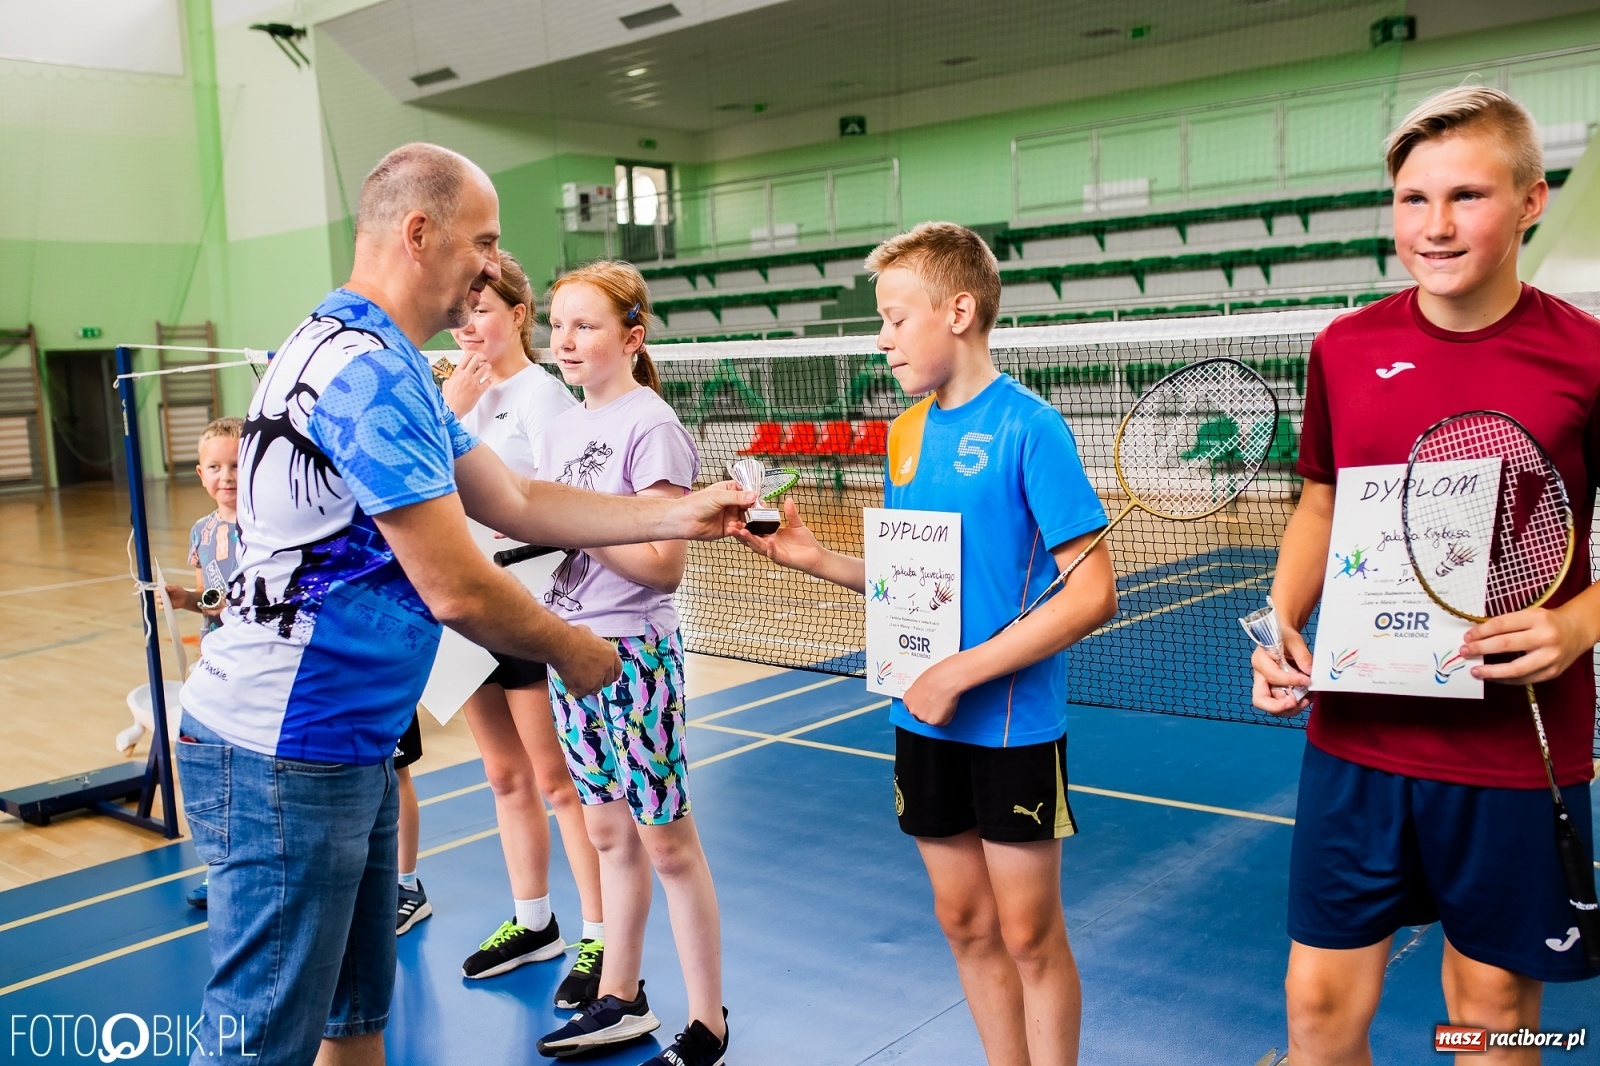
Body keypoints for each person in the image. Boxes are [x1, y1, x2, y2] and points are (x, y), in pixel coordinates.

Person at [174, 143, 752, 1066]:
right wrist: (574, 650)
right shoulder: (363, 374)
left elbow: (517, 501)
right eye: (482, 241)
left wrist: (680, 508)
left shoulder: (377, 358)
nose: (492, 264)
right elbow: (452, 583)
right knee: (259, 1046)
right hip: (284, 749)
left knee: (355, 1021)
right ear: (419, 233)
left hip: (343, 745)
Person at [1251, 87, 1600, 1066]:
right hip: (1356, 738)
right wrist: (1279, 620)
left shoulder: (1585, 358)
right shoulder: (1346, 349)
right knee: (1318, 1012)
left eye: (1466, 196)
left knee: (1487, 1016)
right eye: (1411, 199)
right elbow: (1321, 502)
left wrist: (1579, 622)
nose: (1433, 226)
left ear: (1531, 200)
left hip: (1511, 750)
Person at [736, 222, 1116, 1066]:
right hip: (922, 714)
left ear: (958, 310)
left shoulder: (1031, 428)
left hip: (1010, 723)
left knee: (1029, 935)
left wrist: (963, 672)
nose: (882, 338)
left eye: (896, 318)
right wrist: (818, 558)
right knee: (964, 922)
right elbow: (916, 576)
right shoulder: (905, 435)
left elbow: (1093, 592)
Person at [530, 262, 727, 1066]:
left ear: (632, 338)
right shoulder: (561, 425)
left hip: (633, 657)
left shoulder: (651, 426)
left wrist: (577, 528)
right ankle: (622, 995)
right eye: (559, 325)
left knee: (667, 844)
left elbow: (662, 564)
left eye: (586, 326)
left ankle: (709, 1022)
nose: (565, 341)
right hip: (567, 649)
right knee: (608, 834)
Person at [441, 249, 608, 1003]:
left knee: (557, 777)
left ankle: (601, 936)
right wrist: (450, 407)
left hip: (530, 605)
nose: (467, 325)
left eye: (480, 310)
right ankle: (534, 920)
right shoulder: (449, 393)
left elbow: (562, 510)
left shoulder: (546, 400)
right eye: (459, 312)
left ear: (516, 315)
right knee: (505, 776)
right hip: (467, 603)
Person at [146, 416, 242, 910]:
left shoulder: (268, 524)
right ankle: (220, 866)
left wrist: (225, 604)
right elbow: (214, 595)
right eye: (214, 466)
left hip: (257, 665)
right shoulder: (202, 531)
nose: (226, 476)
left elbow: (252, 597)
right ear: (200, 474)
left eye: (236, 463)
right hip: (215, 664)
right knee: (211, 765)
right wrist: (183, 599)